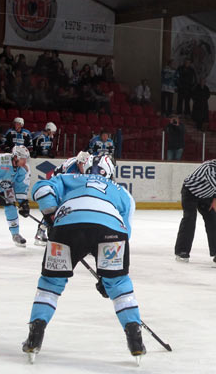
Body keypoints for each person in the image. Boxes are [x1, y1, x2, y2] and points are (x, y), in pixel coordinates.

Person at [23, 155, 145, 363]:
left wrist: (51, 213)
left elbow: (42, 188)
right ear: (111, 172)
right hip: (111, 231)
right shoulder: (122, 192)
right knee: (119, 283)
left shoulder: (69, 178)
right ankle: (135, 338)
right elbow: (126, 231)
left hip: (66, 228)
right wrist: (108, 275)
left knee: (51, 283)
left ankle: (35, 336)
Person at [174, 148, 216, 261]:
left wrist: (214, 200)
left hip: (206, 196)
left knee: (213, 221)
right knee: (189, 219)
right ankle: (181, 251)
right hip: (190, 194)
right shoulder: (210, 168)